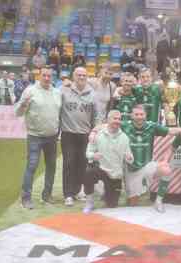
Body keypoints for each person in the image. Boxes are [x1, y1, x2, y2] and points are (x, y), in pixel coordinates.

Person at [119, 104, 181, 213]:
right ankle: (137, 190)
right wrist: (93, 133)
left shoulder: (151, 126)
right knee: (132, 204)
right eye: (136, 114)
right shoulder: (125, 125)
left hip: (147, 166)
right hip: (131, 169)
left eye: (141, 114)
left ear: (145, 115)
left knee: (166, 170)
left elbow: (170, 130)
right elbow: (106, 125)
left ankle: (158, 201)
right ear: (131, 115)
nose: (139, 116)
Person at [14, 67, 61, 209]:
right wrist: (22, 105)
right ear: (39, 76)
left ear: (52, 77)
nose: (47, 78)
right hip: (35, 136)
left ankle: (46, 195)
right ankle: (26, 198)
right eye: (44, 75)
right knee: (32, 166)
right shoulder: (30, 91)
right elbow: (18, 113)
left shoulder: (57, 92)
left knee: (51, 166)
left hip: (52, 137)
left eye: (49, 75)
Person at [83, 110, 133, 213]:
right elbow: (88, 152)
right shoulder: (98, 135)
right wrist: (93, 155)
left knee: (112, 205)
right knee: (88, 173)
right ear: (108, 120)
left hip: (115, 174)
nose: (117, 121)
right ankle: (89, 203)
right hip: (101, 169)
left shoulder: (125, 138)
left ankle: (104, 192)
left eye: (119, 119)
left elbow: (130, 158)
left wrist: (129, 158)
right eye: (115, 118)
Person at [61, 67, 97, 207]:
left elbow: (97, 115)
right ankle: (68, 194)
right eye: (79, 75)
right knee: (69, 163)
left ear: (87, 77)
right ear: (73, 76)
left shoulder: (92, 94)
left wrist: (94, 131)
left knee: (82, 164)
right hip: (68, 133)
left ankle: (78, 191)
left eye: (84, 75)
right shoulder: (64, 90)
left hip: (85, 134)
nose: (81, 77)